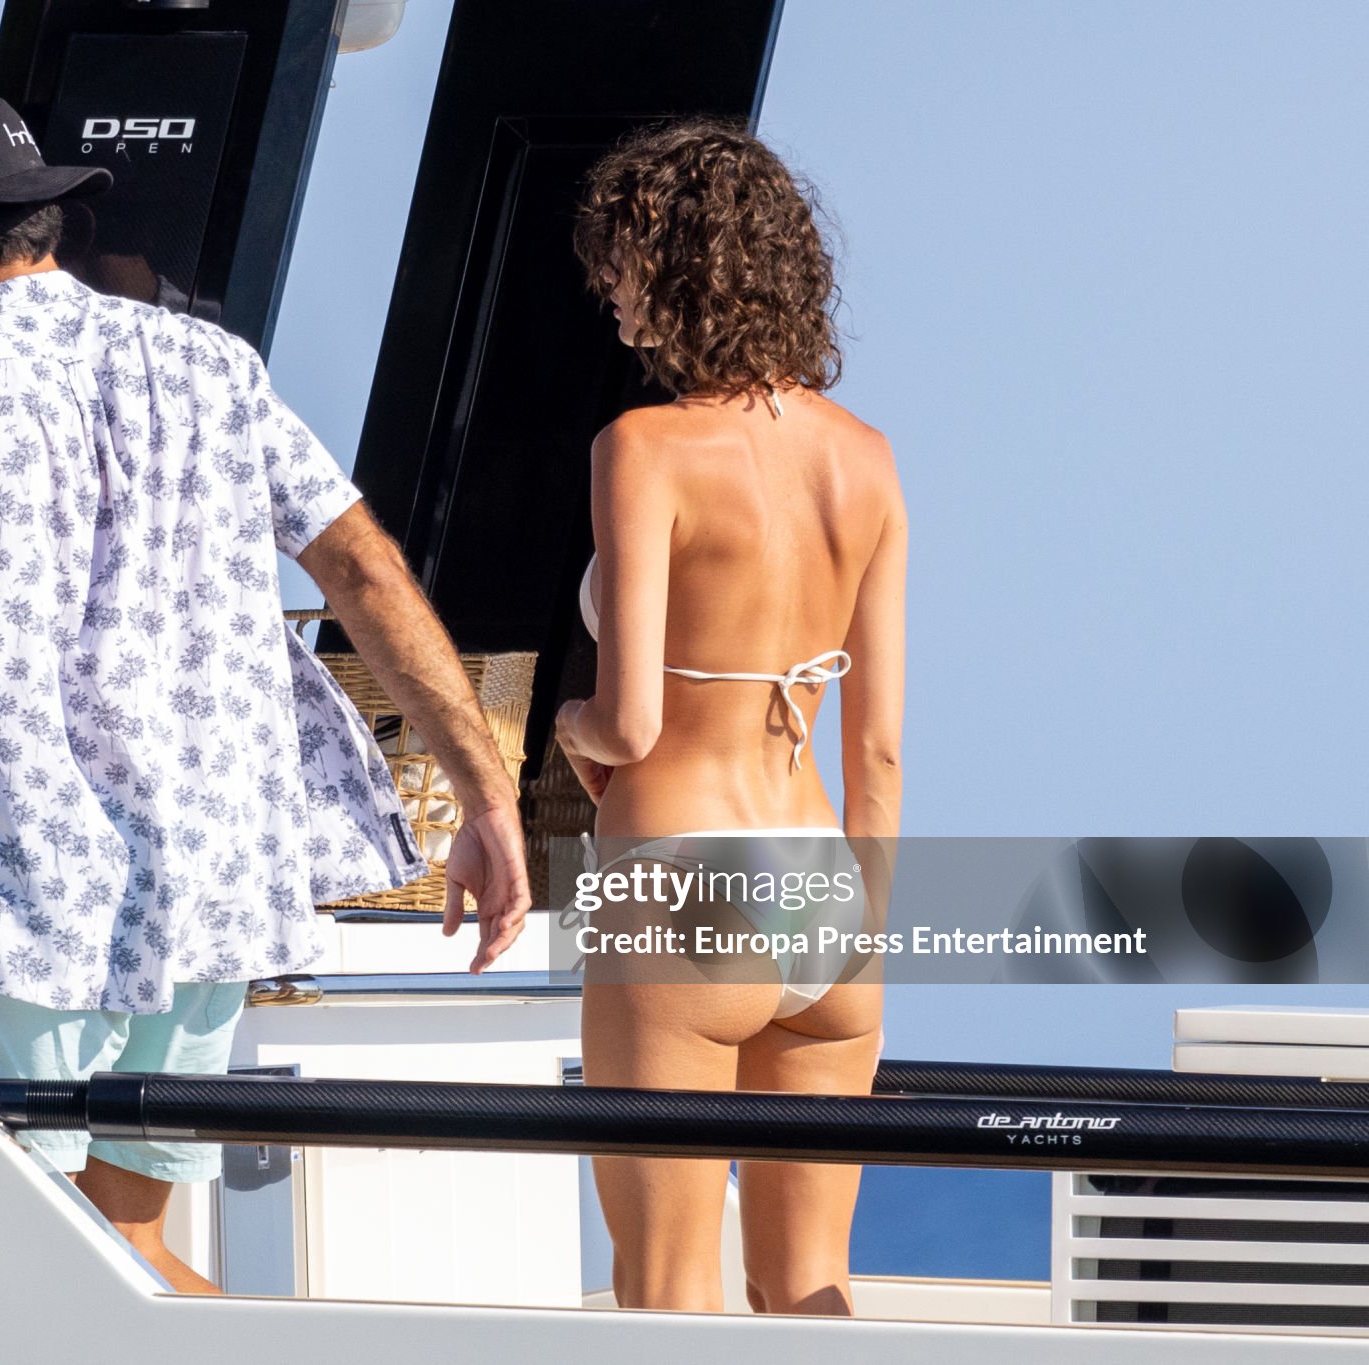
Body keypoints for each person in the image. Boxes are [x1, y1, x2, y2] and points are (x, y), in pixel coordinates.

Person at [0, 94, 530, 1292]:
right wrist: (487, 798)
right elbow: (362, 569)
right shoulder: (211, 367)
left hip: (32, 908)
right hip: (210, 889)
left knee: (3, 1265)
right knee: (128, 1252)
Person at [555, 119, 907, 1314]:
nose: (606, 287)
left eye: (621, 258)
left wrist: (564, 728)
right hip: (824, 887)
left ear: (685, 266)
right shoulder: (865, 460)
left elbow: (632, 723)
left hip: (684, 876)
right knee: (810, 1291)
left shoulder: (642, 447)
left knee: (663, 1296)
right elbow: (879, 748)